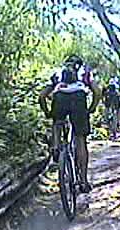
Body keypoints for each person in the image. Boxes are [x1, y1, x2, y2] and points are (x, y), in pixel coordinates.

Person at [38, 55, 101, 193]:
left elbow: (42, 96)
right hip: (79, 99)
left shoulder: (58, 73)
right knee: (80, 139)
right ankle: (83, 182)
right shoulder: (84, 72)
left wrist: (48, 112)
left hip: (60, 97)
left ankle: (55, 148)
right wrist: (92, 108)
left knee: (57, 123)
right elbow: (97, 92)